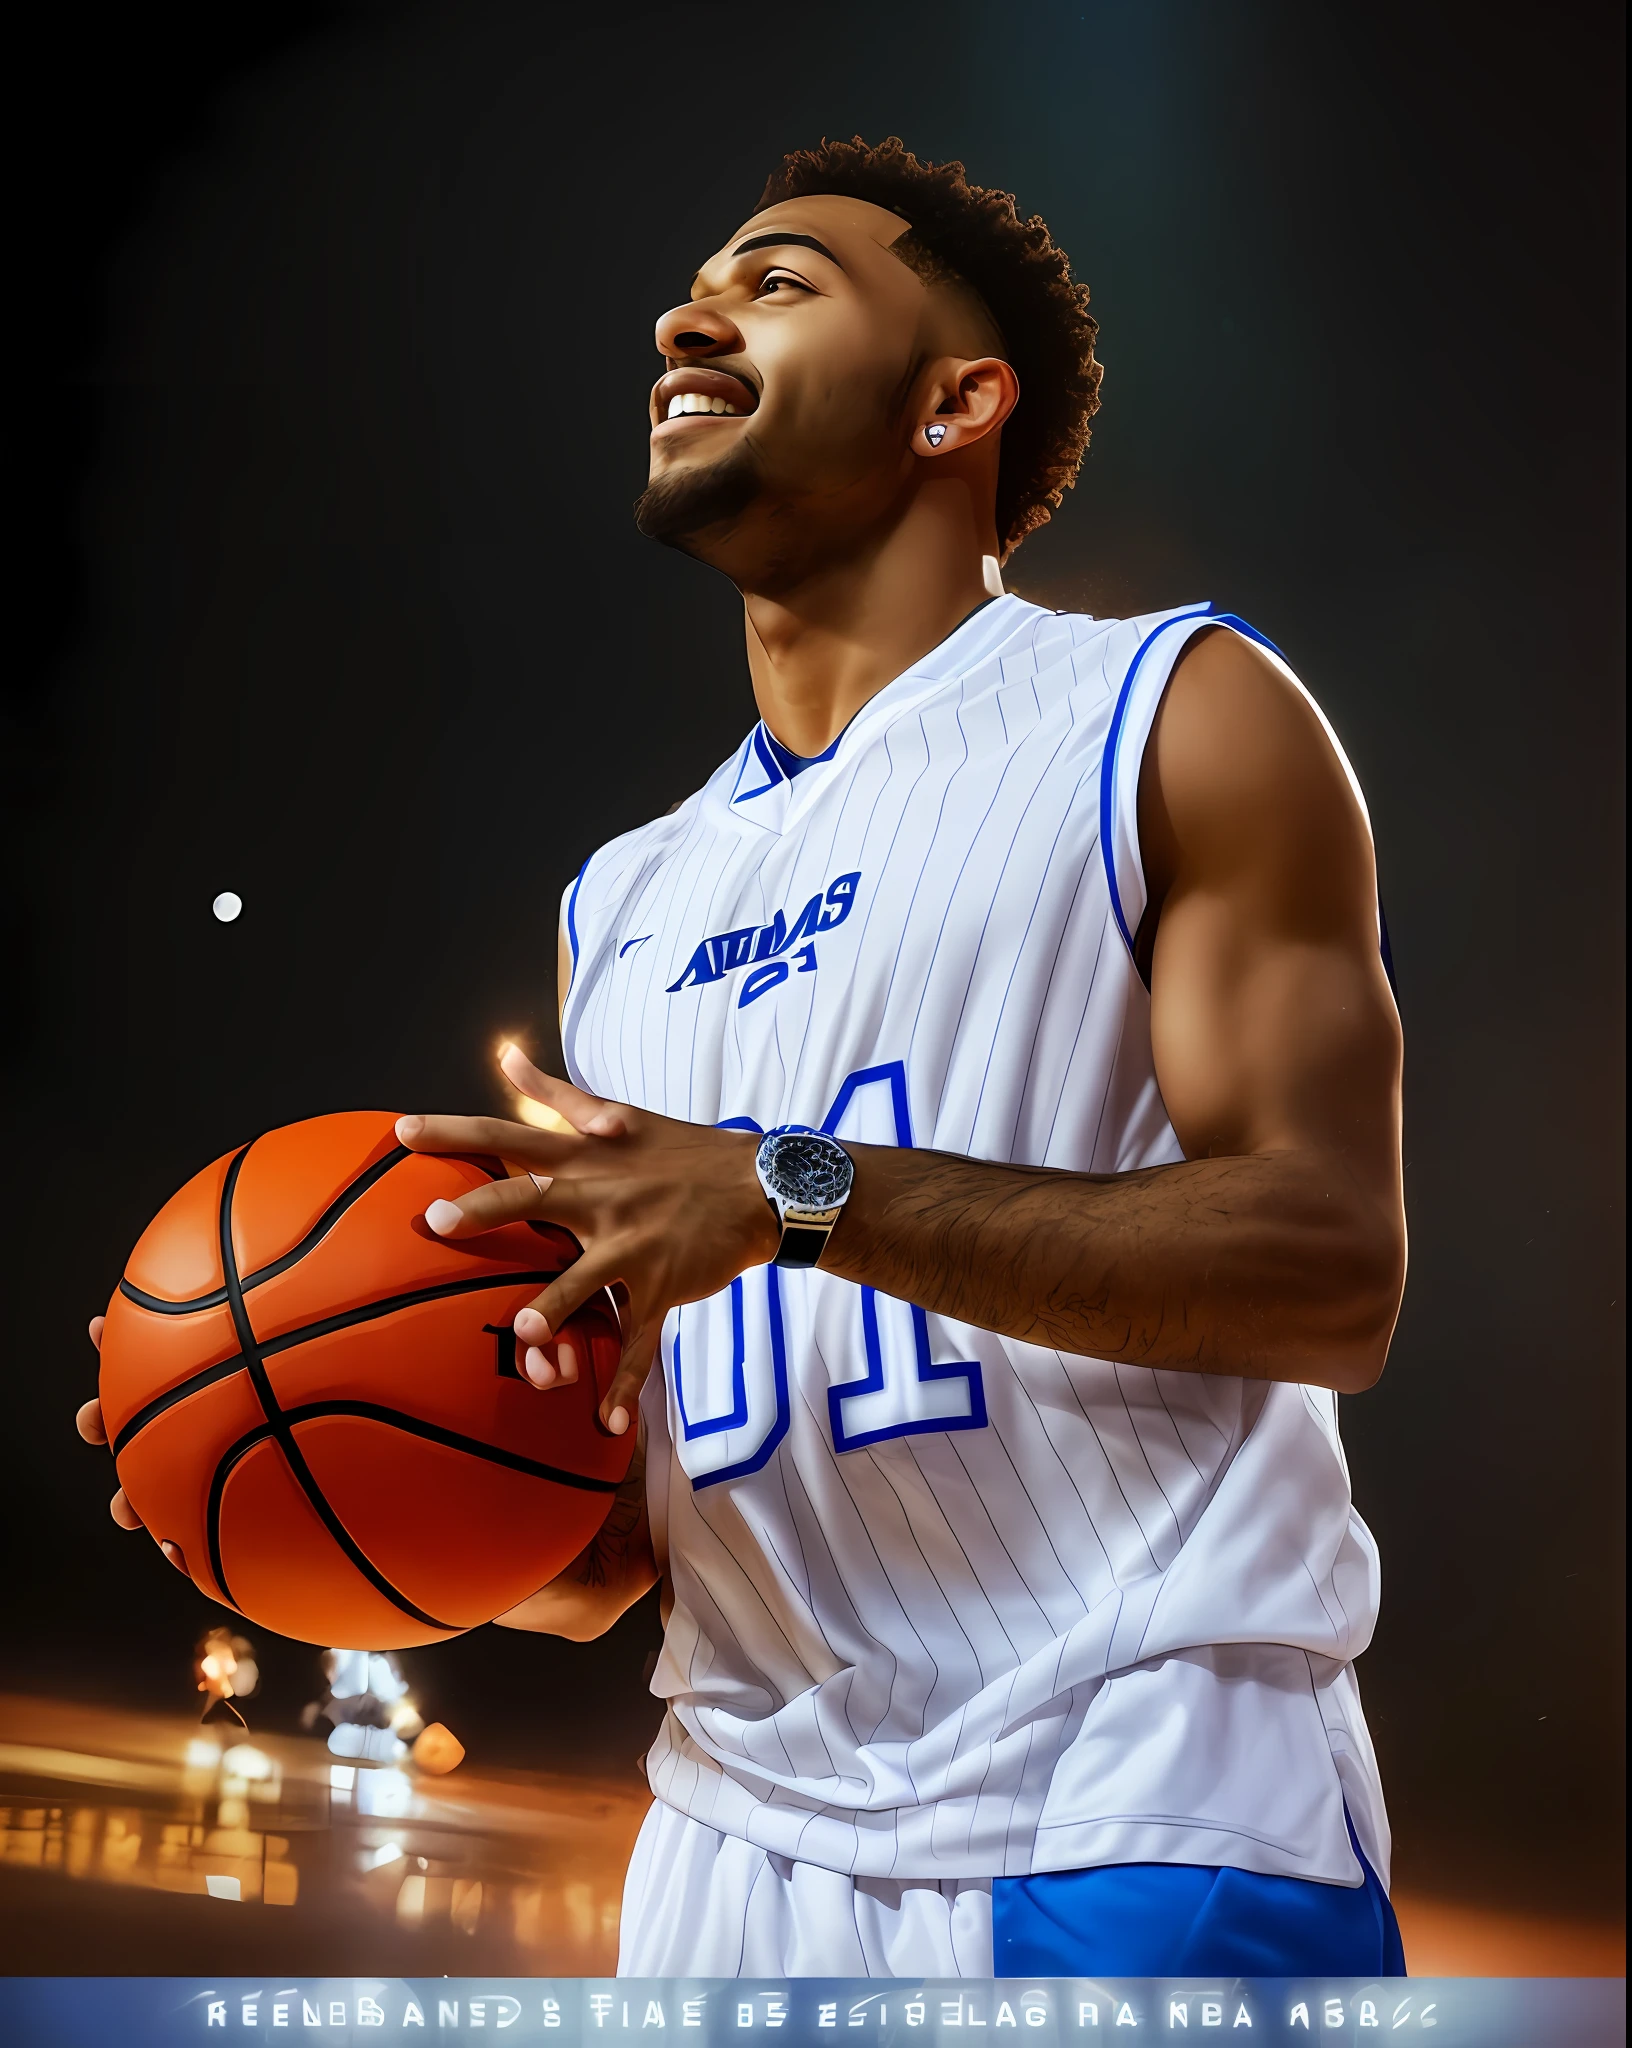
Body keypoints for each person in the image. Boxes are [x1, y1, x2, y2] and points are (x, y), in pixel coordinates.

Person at [79, 137, 1408, 1980]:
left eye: (779, 281)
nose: (684, 315)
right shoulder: (621, 903)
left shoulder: (1175, 714)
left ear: (961, 401)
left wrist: (793, 1194)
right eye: (700, 286)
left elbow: (1334, 1274)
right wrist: (269, 1466)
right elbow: (620, 1555)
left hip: (1141, 1811)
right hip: (730, 1858)